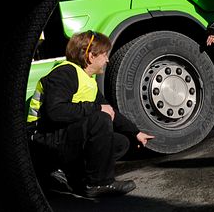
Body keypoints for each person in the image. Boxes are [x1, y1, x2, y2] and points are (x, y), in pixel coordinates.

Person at [27, 30, 154, 198]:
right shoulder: (64, 73)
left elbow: (110, 110)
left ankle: (74, 177)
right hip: (43, 142)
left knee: (121, 142)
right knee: (100, 119)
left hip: (61, 137)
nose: (107, 60)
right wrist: (96, 109)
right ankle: (99, 183)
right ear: (91, 57)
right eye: (104, 55)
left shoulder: (87, 79)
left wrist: (135, 132)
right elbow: (56, 112)